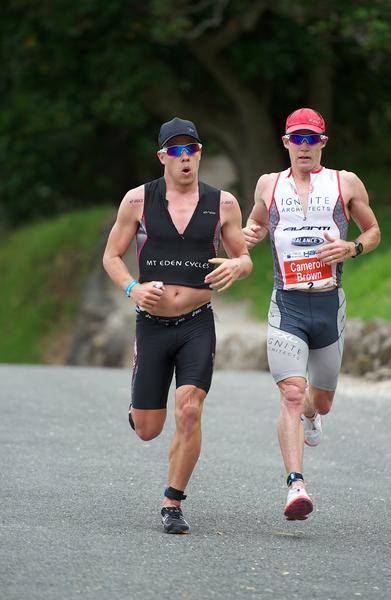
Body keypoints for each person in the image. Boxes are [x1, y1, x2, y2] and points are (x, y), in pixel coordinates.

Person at [103, 117, 252, 534]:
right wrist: (133, 287)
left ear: (200, 154)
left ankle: (173, 502)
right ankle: (140, 408)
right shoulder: (137, 200)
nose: (185, 158)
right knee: (149, 430)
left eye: (192, 150)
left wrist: (236, 268)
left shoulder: (223, 203)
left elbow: (243, 256)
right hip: (151, 324)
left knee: (189, 409)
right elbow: (111, 256)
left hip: (196, 325)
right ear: (163, 157)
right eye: (176, 151)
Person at [243, 107, 380, 520]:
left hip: (328, 303)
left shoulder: (345, 182)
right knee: (290, 393)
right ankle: (295, 487)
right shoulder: (268, 184)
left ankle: (311, 415)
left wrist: (351, 248)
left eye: (311, 139)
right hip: (286, 305)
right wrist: (252, 233)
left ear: (323, 142)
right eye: (296, 139)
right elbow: (256, 223)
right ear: (285, 143)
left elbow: (373, 231)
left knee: (319, 401)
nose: (304, 147)